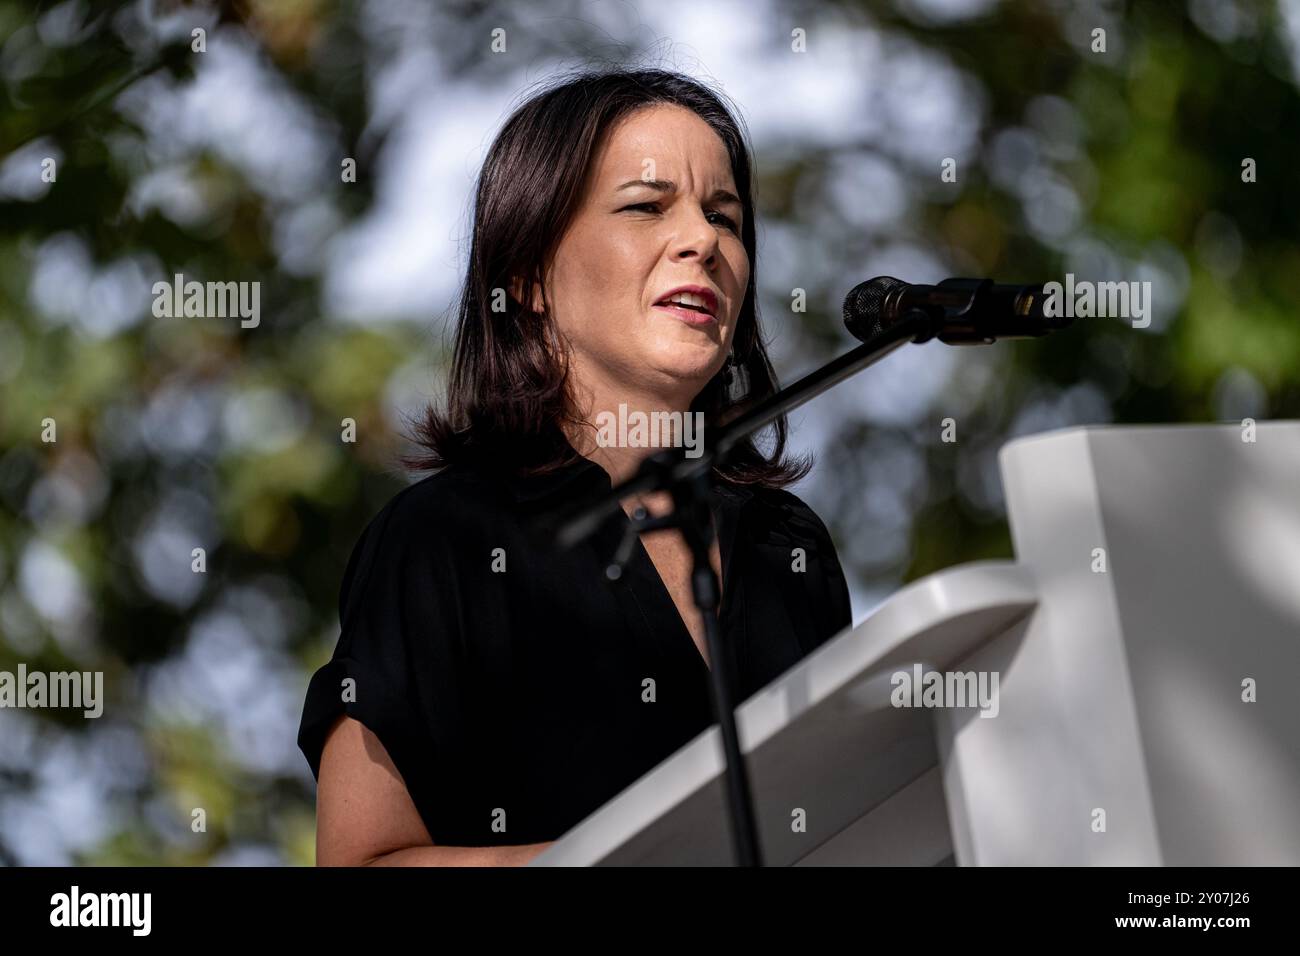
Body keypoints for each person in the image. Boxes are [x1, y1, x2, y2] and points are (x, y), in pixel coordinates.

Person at [297, 67, 852, 866]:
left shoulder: (786, 546)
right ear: (525, 273)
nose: (704, 241)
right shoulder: (442, 541)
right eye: (646, 205)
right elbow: (361, 864)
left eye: (724, 216)